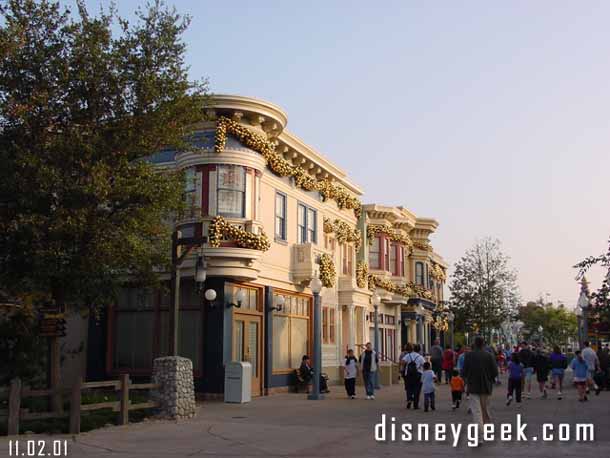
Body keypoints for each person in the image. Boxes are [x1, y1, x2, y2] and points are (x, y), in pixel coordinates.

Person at [463, 336, 498, 435]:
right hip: (486, 387)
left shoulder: (468, 356)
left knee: (477, 412)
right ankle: (487, 428)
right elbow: (495, 372)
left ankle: (480, 434)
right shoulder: (489, 356)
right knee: (485, 409)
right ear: (484, 344)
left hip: (473, 386)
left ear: (474, 343)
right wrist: (489, 379)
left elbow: (464, 372)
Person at [402, 343, 425, 409]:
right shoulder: (420, 357)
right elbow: (424, 365)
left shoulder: (408, 355)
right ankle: (415, 404)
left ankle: (409, 399)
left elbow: (403, 362)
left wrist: (404, 367)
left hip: (408, 374)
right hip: (418, 374)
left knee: (409, 388)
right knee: (417, 389)